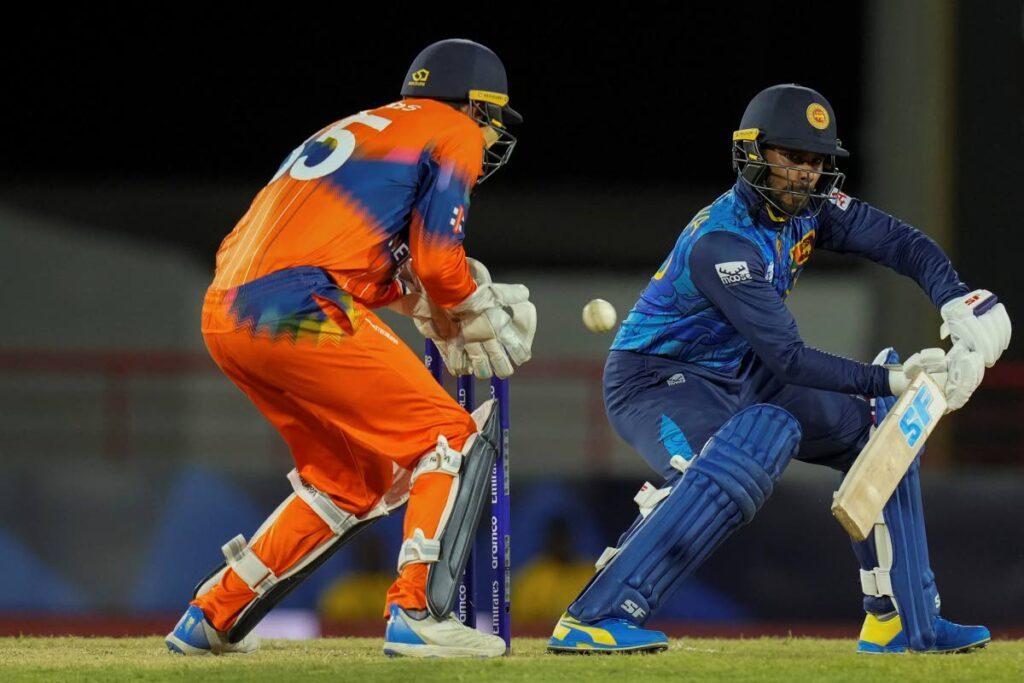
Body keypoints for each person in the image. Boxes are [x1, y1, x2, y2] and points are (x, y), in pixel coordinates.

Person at [547, 84, 1011, 654]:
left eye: (817, 162)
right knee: (729, 460)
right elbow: (788, 357)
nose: (806, 175)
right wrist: (896, 379)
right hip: (659, 377)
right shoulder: (722, 242)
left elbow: (902, 243)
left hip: (742, 364)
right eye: (793, 157)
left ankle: (897, 619)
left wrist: (955, 299)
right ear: (753, 153)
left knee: (876, 426)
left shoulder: (812, 208)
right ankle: (595, 614)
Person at [164, 38, 535, 659]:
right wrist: (469, 303)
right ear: (474, 105)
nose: (492, 141)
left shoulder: (356, 128)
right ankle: (418, 612)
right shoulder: (454, 129)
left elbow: (342, 254)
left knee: (350, 481)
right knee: (449, 435)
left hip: (228, 310)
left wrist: (419, 300)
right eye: (493, 123)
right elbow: (440, 264)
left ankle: (213, 615)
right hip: (295, 308)